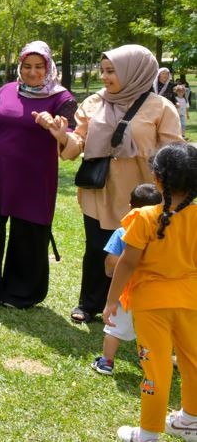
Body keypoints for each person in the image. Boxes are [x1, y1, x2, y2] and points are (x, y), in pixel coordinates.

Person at [40, 44, 183, 323]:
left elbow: (173, 153)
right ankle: (89, 303)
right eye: (103, 70)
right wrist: (61, 135)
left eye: (111, 71)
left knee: (140, 250)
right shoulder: (95, 102)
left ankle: (135, 305)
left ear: (134, 72)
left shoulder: (161, 108)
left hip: (143, 195)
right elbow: (76, 145)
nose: (104, 77)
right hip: (100, 189)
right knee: (97, 247)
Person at [103, 143, 197, 442]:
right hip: (191, 301)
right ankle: (189, 421)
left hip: (150, 304)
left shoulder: (144, 216)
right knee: (192, 362)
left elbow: (126, 264)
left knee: (155, 369)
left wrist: (111, 301)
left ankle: (147, 438)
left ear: (157, 179)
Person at [0, 42, 77, 309]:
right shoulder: (6, 90)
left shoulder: (61, 99)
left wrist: (57, 130)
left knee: (27, 235)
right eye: (27, 66)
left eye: (39, 67)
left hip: (33, 178)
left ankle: (20, 294)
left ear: (49, 67)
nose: (32, 72)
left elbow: (70, 137)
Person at [91, 183, 162, 375]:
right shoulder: (162, 233)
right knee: (150, 333)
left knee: (113, 329)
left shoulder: (123, 231)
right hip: (153, 294)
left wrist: (109, 272)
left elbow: (112, 261)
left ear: (131, 206)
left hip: (126, 292)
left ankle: (106, 361)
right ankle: (148, 363)